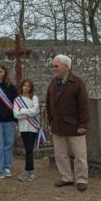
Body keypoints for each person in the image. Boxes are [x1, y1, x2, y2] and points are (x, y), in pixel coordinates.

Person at [46, 54, 89, 192]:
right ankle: (66, 177)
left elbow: (84, 105)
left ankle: (81, 179)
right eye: (53, 66)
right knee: (60, 154)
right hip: (57, 125)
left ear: (66, 67)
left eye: (56, 66)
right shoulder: (53, 82)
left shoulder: (77, 82)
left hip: (74, 126)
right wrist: (50, 120)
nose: (54, 68)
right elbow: (48, 102)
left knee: (79, 155)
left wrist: (83, 125)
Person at [13, 79, 40, 182]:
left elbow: (35, 111)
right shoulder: (17, 100)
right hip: (23, 128)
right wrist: (28, 112)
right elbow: (15, 114)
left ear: (31, 88)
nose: (26, 88)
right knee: (27, 150)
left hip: (32, 128)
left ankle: (29, 170)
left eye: (28, 86)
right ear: (21, 86)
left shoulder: (34, 98)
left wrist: (22, 111)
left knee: (29, 150)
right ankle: (29, 171)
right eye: (24, 85)